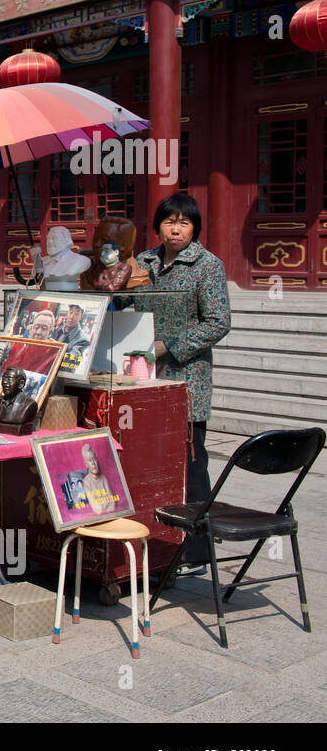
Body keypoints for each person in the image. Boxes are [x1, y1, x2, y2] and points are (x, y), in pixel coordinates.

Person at [130, 192, 231, 571]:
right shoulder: (142, 262)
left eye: (184, 222)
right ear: (156, 225)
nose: (175, 229)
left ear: (195, 228)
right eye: (169, 221)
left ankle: (197, 550)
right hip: (140, 375)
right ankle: (154, 538)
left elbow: (218, 322)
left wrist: (168, 346)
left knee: (191, 461)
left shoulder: (207, 265)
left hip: (186, 377)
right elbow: (126, 304)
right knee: (148, 458)